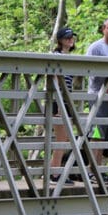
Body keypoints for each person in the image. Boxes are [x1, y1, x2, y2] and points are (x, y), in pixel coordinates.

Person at [86, 18, 108, 163]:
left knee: (106, 133)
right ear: (103, 29)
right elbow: (88, 69)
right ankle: (92, 169)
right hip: (97, 95)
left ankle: (98, 168)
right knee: (96, 132)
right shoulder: (96, 47)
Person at [49, 27, 76, 185]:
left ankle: (56, 171)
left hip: (65, 102)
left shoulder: (69, 56)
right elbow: (54, 80)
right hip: (58, 102)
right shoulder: (56, 56)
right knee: (61, 139)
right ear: (60, 40)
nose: (70, 40)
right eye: (67, 37)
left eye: (72, 37)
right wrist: (59, 105)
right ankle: (55, 174)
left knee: (64, 139)